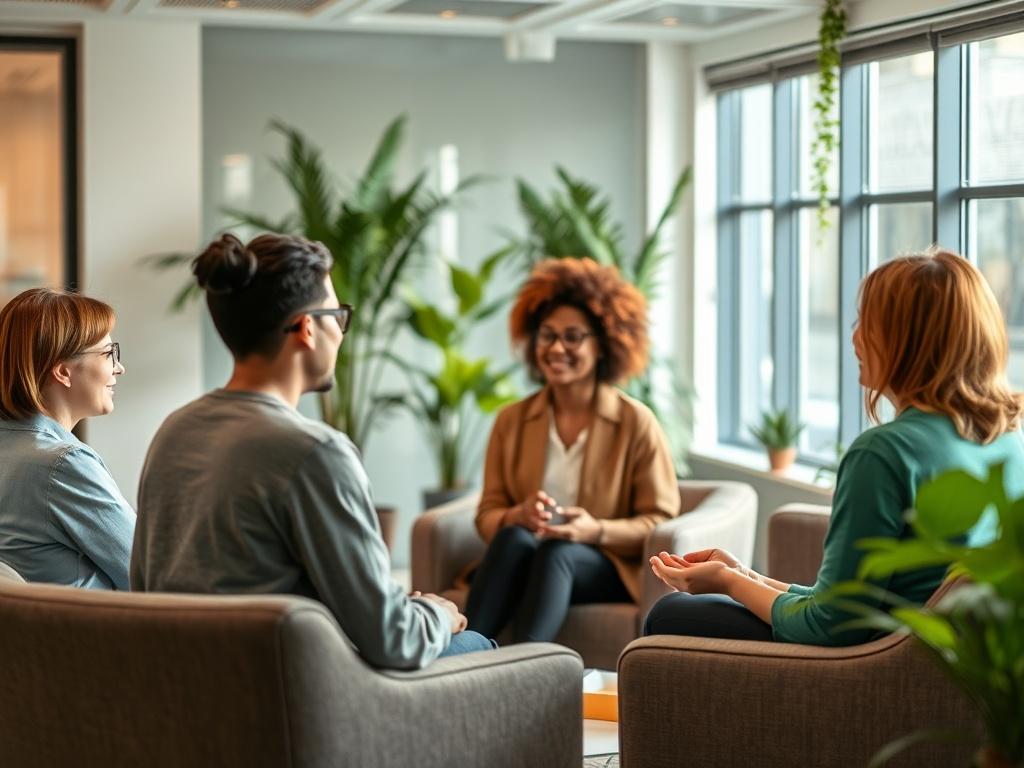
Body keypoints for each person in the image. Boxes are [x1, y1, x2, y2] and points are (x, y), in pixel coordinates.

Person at [131, 233, 494, 670]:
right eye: (338, 316)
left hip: (185, 685)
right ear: (307, 328)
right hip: (297, 691)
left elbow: (145, 588)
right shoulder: (313, 452)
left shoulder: (174, 431)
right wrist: (437, 613)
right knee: (478, 644)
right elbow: (393, 639)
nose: (340, 332)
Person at [644, 249, 1024, 646]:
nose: (855, 337)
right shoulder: (1006, 440)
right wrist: (744, 575)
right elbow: (844, 603)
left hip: (869, 664)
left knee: (671, 614)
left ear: (907, 342)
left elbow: (831, 624)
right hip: (936, 658)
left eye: (867, 323)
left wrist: (728, 583)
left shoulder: (884, 453)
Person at [465, 257, 681, 643]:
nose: (556, 348)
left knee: (557, 552)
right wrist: (517, 514)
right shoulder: (511, 421)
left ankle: (525, 667)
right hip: (526, 553)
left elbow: (660, 519)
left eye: (573, 337)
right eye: (547, 335)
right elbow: (487, 515)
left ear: (602, 346)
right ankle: (466, 652)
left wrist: (594, 530)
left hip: (602, 564)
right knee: (513, 537)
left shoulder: (635, 422)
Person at [0, 288, 134, 588]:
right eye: (109, 353)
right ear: (63, 372)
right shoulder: (62, 464)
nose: (119, 368)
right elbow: (148, 572)